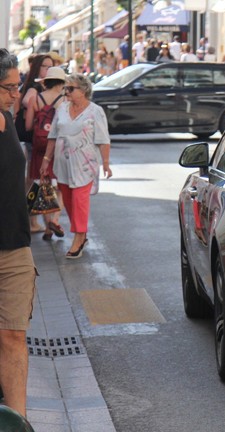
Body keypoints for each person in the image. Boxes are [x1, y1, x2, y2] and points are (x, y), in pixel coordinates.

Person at [0, 47, 38, 418]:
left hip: (14, 248)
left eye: (17, 86)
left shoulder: (7, 119)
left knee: (14, 336)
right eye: (8, 87)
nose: (16, 94)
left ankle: (19, 422)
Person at [40, 73, 113, 258]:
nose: (67, 91)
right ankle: (81, 233)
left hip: (85, 164)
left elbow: (103, 139)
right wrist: (46, 160)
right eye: (66, 88)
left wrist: (105, 163)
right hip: (62, 163)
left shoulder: (95, 111)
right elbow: (53, 136)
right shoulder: (62, 108)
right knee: (70, 202)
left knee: (80, 200)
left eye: (70, 88)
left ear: (84, 90)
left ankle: (78, 238)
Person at [25, 66, 66, 241]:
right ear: (61, 83)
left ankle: (47, 228)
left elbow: (27, 127)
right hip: (58, 147)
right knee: (60, 188)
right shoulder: (64, 101)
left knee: (44, 185)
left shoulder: (36, 98)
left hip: (39, 147)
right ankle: (55, 220)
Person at [15, 54, 53, 234]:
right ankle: (32, 221)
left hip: (39, 139)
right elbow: (25, 101)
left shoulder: (41, 87)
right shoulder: (34, 87)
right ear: (37, 68)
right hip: (34, 139)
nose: (48, 70)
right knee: (33, 182)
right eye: (45, 66)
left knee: (35, 181)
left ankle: (35, 220)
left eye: (50, 67)